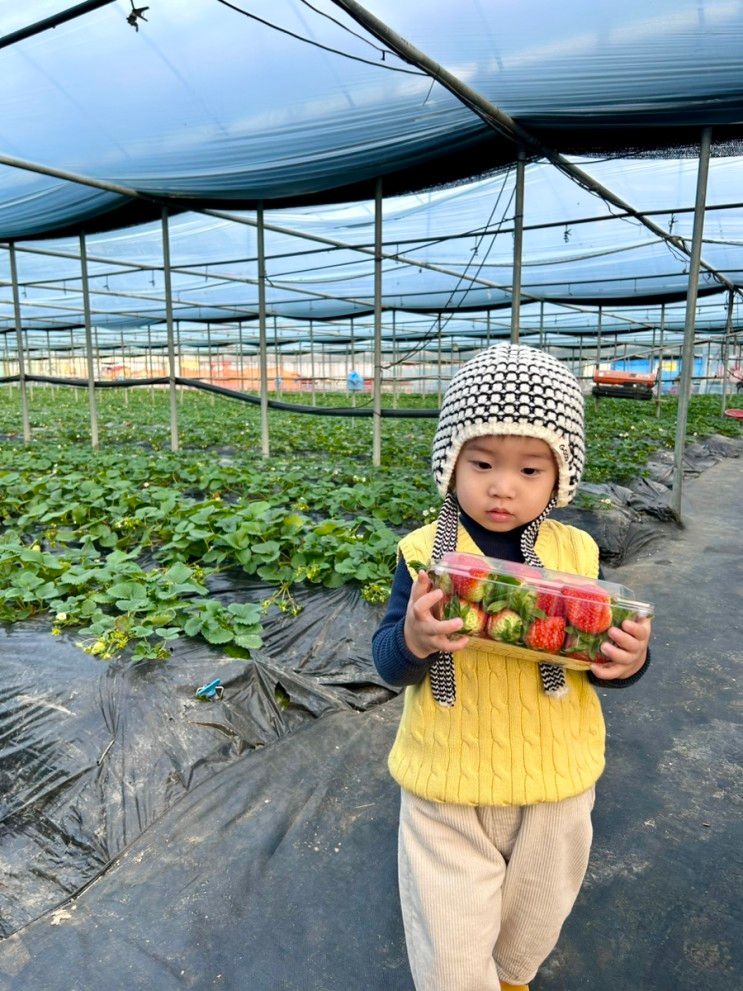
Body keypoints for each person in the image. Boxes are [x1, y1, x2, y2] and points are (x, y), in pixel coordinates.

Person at [372, 344, 651, 991]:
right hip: (447, 782)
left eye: (530, 468)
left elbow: (603, 653)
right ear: (450, 463)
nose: (503, 485)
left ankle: (510, 979)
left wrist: (628, 659)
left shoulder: (575, 551)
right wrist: (413, 636)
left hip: (554, 781)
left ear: (561, 476)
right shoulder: (422, 555)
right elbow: (389, 660)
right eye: (482, 462)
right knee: (450, 946)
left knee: (532, 920)